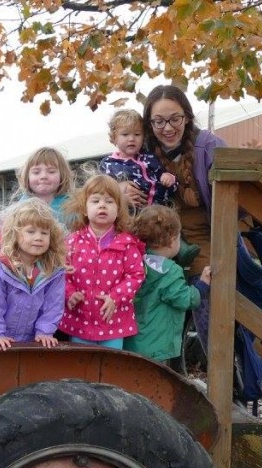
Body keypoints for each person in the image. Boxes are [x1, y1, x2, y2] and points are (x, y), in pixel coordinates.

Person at [136, 84, 229, 279]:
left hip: (202, 238)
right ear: (150, 124)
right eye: (159, 121)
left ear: (186, 117)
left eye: (175, 119)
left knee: (209, 282)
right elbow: (110, 176)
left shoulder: (208, 147)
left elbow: (233, 195)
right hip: (155, 239)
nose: (168, 128)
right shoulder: (140, 153)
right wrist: (120, 188)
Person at [58, 174, 145, 349]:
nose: (102, 205)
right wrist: (70, 293)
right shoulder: (72, 242)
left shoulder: (127, 243)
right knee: (81, 367)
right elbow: (61, 273)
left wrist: (115, 297)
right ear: (84, 208)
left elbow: (136, 275)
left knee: (110, 367)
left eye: (109, 201)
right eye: (95, 201)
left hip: (113, 321)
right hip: (80, 320)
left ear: (119, 209)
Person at [124, 205, 212, 362]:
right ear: (172, 241)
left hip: (134, 340)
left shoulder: (136, 263)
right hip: (158, 343)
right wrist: (202, 285)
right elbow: (185, 299)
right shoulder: (170, 272)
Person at [0, 199, 67, 350]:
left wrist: (45, 331)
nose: (38, 237)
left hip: (31, 341)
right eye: (31, 231)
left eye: (44, 233)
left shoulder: (53, 269)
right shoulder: (0, 267)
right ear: (15, 234)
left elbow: (54, 304)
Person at [99, 108, 179, 211]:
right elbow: (100, 193)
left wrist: (170, 179)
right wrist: (119, 192)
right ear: (114, 138)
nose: (131, 139)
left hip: (158, 213)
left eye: (137, 134)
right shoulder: (108, 164)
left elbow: (168, 184)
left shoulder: (150, 158)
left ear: (143, 137)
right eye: (125, 134)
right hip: (129, 217)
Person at [15, 146, 75, 222]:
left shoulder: (72, 208)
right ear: (27, 176)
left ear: (62, 175)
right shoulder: (19, 209)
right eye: (36, 172)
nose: (43, 176)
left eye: (51, 172)